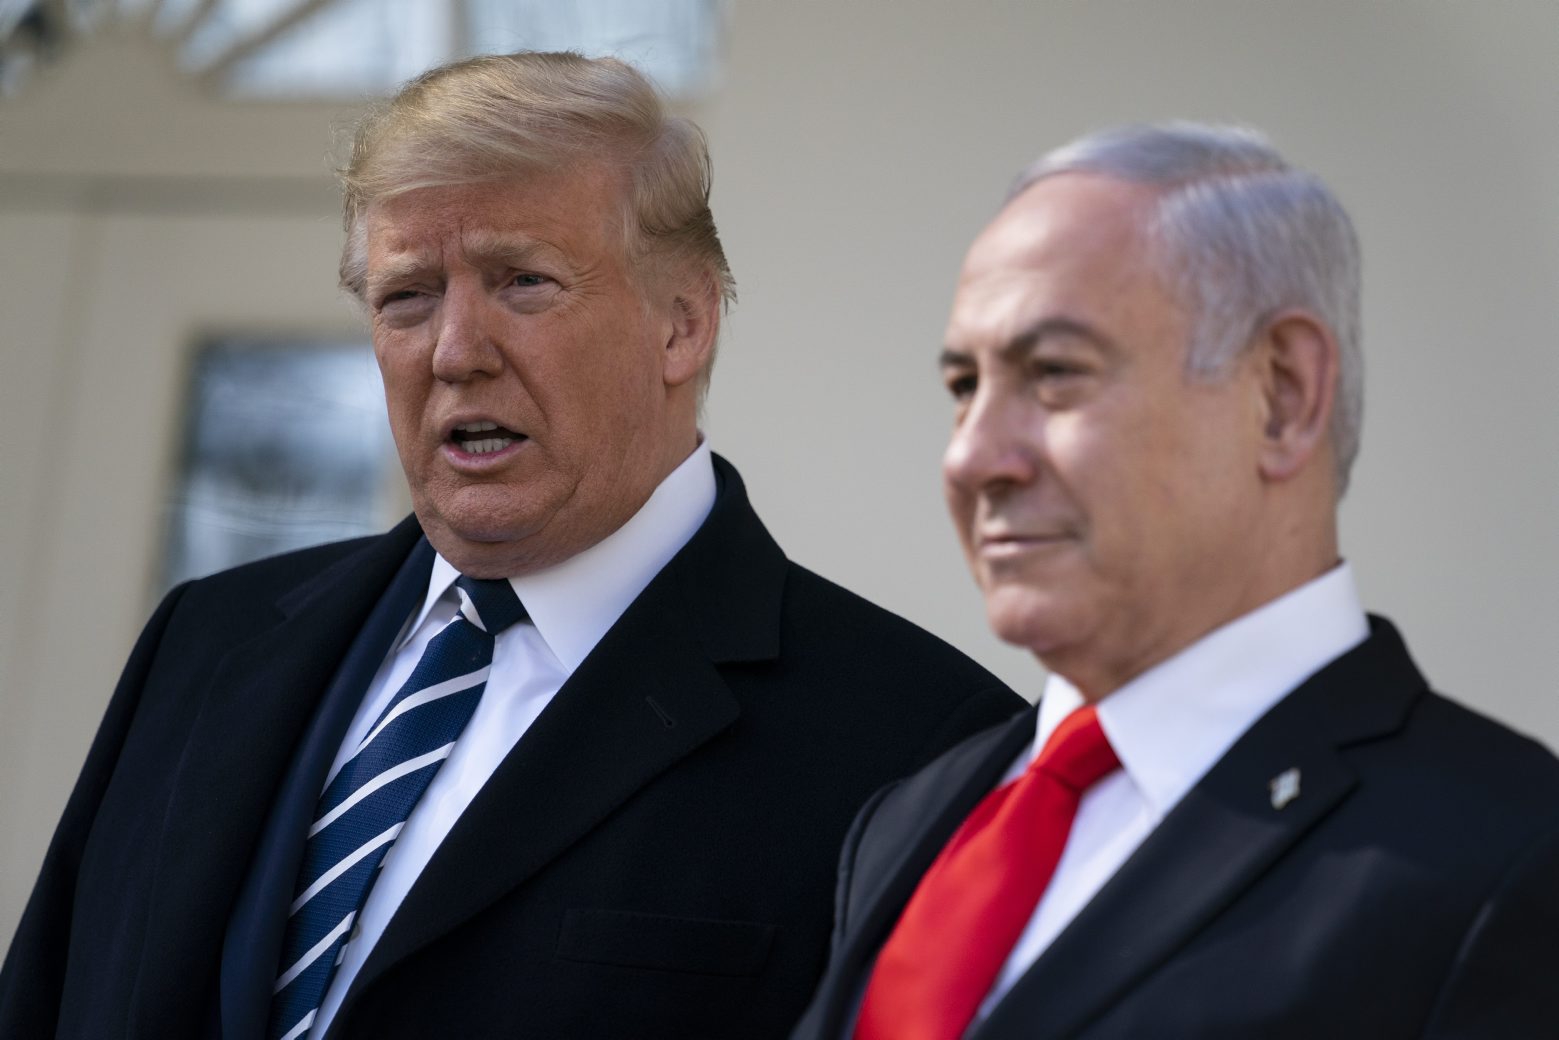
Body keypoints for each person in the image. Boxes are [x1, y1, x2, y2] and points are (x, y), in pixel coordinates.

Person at [0, 52, 1022, 1040]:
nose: (454, 350)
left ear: (682, 324)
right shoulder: (205, 641)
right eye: (407, 296)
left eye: (522, 282)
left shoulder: (927, 750)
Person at [792, 122, 1559, 1040]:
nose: (973, 457)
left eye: (1053, 374)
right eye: (964, 385)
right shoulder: (909, 818)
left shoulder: (1503, 858)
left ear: (1280, 396)